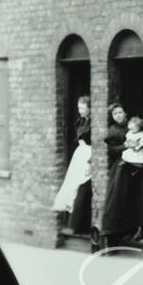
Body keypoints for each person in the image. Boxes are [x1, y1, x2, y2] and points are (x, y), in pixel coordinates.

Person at [100, 105, 143, 248]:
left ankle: (138, 229)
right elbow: (111, 150)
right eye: (115, 114)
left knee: (138, 198)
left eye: (120, 112)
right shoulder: (113, 131)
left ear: (125, 113)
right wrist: (125, 147)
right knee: (118, 196)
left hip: (137, 163)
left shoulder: (134, 126)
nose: (118, 115)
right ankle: (114, 234)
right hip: (122, 164)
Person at [51, 96, 92, 234]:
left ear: (89, 108)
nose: (80, 111)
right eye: (78, 108)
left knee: (82, 185)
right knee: (73, 184)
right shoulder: (80, 121)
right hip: (80, 154)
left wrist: (91, 160)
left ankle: (78, 224)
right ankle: (73, 223)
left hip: (88, 154)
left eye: (82, 108)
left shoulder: (92, 123)